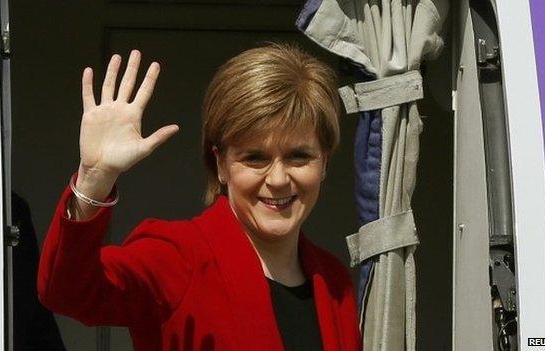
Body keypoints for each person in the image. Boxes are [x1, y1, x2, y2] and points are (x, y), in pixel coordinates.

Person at [37, 42, 360, 351]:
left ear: (324, 163)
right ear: (220, 164)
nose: (277, 179)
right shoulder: (178, 258)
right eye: (255, 158)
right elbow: (68, 292)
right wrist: (94, 180)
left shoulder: (334, 282)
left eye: (298, 156)